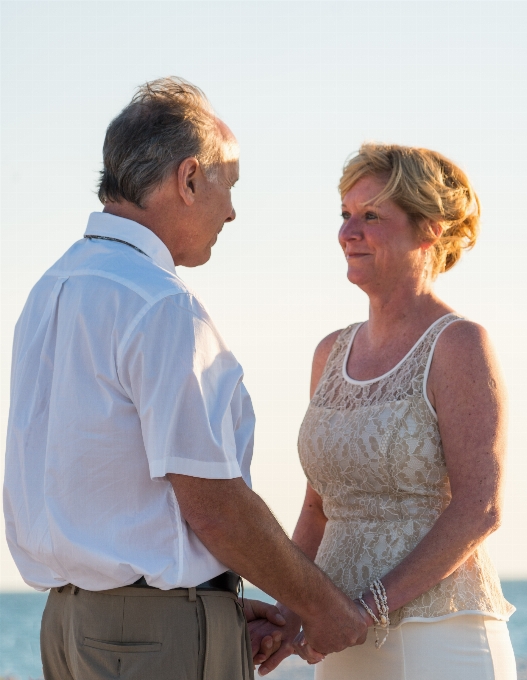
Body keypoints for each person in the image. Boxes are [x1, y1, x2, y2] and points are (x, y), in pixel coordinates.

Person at [3, 77, 368, 680]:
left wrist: (215, 607)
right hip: (153, 640)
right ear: (189, 177)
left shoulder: (49, 291)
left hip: (68, 632)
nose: (231, 209)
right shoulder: (159, 304)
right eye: (230, 182)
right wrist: (323, 606)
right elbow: (214, 505)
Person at [255, 143, 517, 679]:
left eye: (372, 216)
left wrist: (365, 608)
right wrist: (286, 612)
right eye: (346, 215)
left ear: (430, 230)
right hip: (340, 640)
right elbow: (317, 510)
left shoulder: (460, 345)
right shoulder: (329, 353)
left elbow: (479, 509)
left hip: (439, 638)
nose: (348, 232)